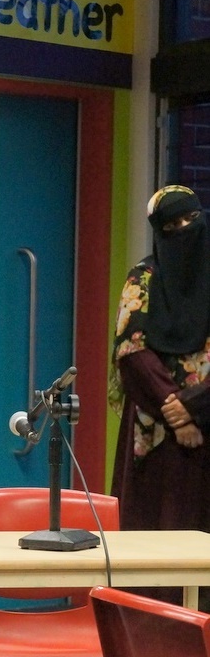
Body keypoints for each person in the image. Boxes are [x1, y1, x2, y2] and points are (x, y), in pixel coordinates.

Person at [110, 184, 210, 603]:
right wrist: (175, 412)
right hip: (156, 435)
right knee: (154, 541)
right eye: (172, 225)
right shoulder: (143, 278)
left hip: (206, 426)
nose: (184, 229)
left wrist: (194, 408)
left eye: (191, 219)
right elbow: (131, 350)